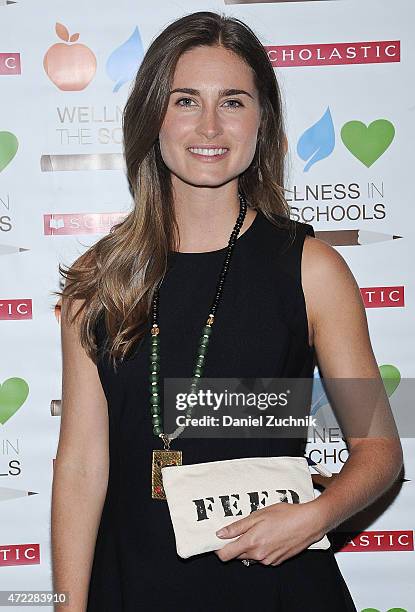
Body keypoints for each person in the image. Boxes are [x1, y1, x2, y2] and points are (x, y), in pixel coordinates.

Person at [51, 10, 403, 612]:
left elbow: (380, 451)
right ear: (152, 117)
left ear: (261, 123)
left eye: (233, 102)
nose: (209, 125)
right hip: (134, 586)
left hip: (274, 588)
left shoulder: (312, 269)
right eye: (185, 100)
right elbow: (82, 465)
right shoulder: (97, 281)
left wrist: (312, 517)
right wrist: (65, 605)